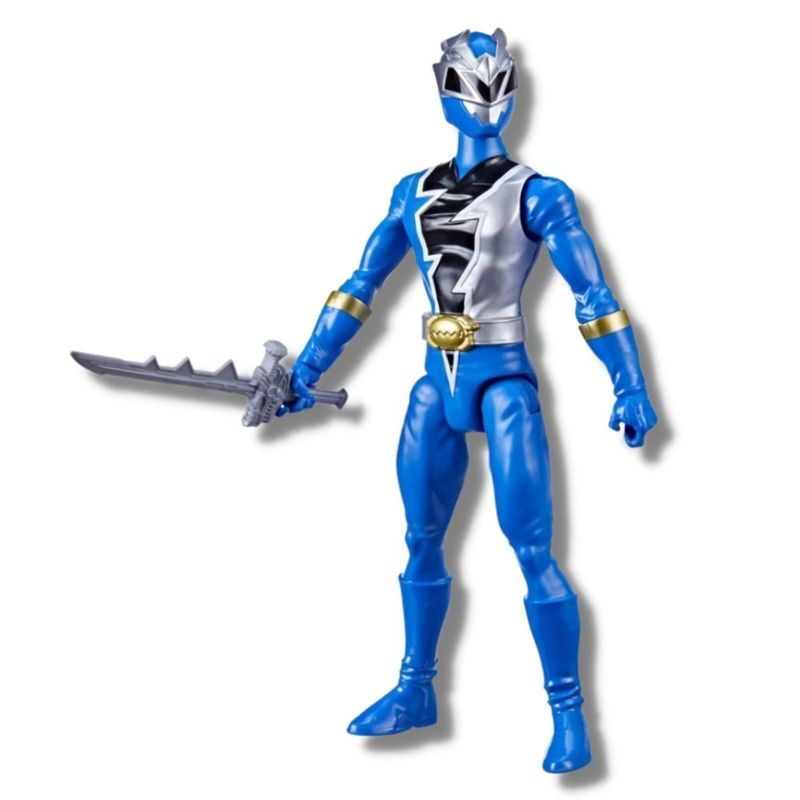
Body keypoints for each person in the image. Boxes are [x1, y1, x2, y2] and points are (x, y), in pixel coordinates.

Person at [278, 28, 657, 773]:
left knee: (533, 549)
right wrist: (305, 369)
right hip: (436, 380)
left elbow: (592, 295)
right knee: (421, 538)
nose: (486, 98)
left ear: (512, 85)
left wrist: (630, 383)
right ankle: (415, 689)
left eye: (497, 81)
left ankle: (570, 715)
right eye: (468, 82)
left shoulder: (539, 193)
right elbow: (361, 285)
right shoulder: (410, 191)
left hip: (503, 378)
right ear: (443, 87)